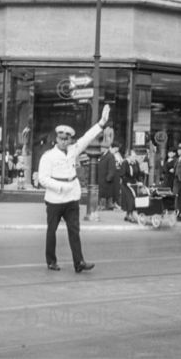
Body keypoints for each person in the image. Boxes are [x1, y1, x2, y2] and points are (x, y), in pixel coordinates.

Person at [38, 104, 110, 273]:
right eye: (61, 139)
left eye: (67, 139)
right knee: (51, 231)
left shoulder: (73, 150)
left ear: (70, 139)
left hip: (71, 196)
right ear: (56, 139)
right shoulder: (48, 156)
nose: (64, 142)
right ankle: (51, 261)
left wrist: (101, 123)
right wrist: (60, 187)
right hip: (55, 198)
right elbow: (43, 178)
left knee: (74, 231)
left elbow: (87, 137)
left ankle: (79, 262)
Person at [120, 149, 143, 223]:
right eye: (133, 156)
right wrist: (127, 182)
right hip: (126, 184)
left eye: (135, 156)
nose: (134, 157)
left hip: (133, 183)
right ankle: (130, 215)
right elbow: (122, 174)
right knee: (130, 200)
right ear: (129, 156)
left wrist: (139, 181)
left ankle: (128, 215)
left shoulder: (136, 163)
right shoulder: (125, 163)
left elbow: (138, 173)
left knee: (135, 199)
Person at [98, 141, 116, 211]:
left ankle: (107, 205)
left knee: (106, 193)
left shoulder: (110, 156)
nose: (100, 149)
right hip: (102, 178)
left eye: (101, 147)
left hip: (106, 178)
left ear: (105, 148)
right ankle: (104, 205)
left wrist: (109, 177)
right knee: (103, 192)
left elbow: (112, 168)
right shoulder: (102, 155)